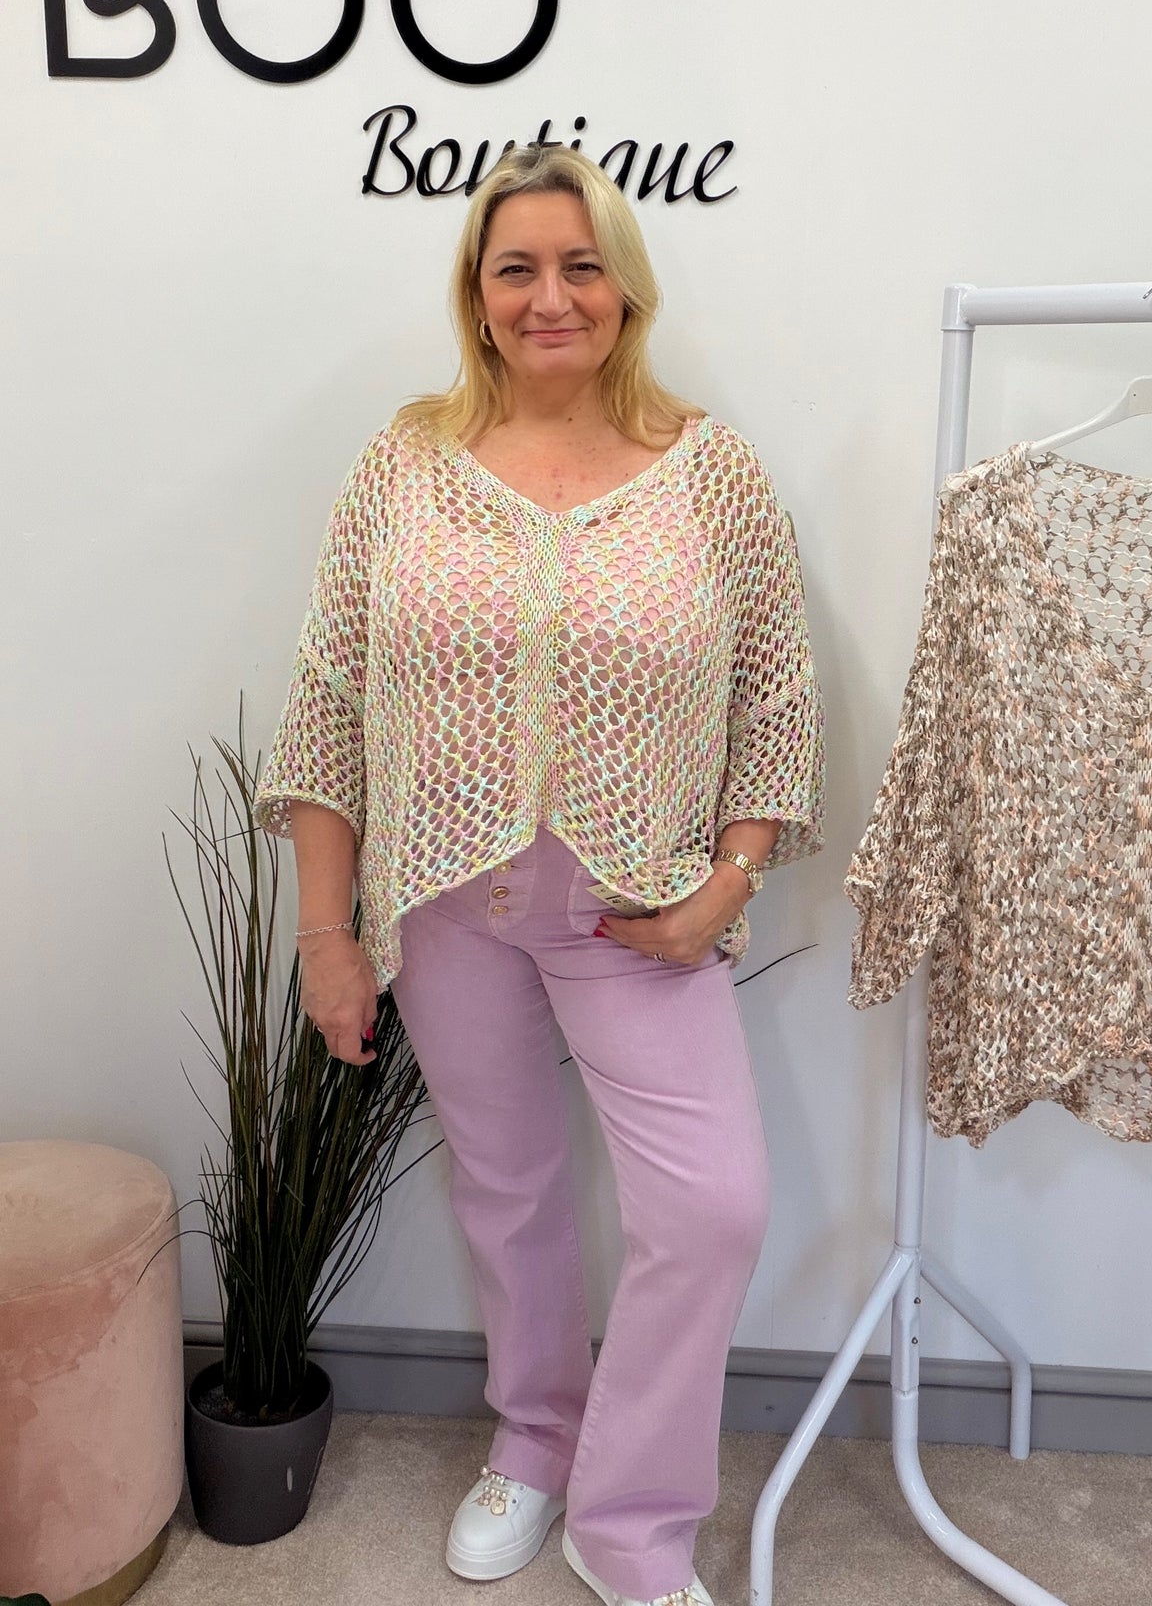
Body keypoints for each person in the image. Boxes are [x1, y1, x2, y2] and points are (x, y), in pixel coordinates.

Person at [254, 145, 824, 1606]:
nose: (550, 296)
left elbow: (777, 695)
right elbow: (329, 701)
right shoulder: (404, 462)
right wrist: (327, 934)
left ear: (626, 287)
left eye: (581, 265)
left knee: (711, 1210)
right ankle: (534, 1442)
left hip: (639, 913)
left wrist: (729, 886)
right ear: (477, 293)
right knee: (507, 1192)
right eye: (517, 267)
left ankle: (627, 1522)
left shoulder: (709, 471)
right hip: (446, 905)